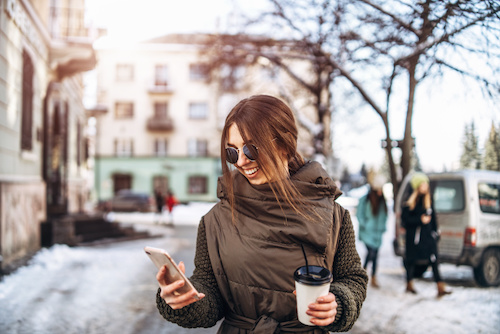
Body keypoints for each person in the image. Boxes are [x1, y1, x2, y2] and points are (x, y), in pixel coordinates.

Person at [154, 95, 368, 333]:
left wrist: (338, 303)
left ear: (285, 145)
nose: (242, 161)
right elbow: (211, 296)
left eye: (251, 148)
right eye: (233, 153)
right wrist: (185, 299)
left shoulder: (334, 216)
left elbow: (352, 279)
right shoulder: (214, 221)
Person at [402, 172, 452, 298]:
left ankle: (440, 286)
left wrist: (436, 232)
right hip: (414, 238)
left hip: (428, 237)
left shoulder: (429, 199)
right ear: (418, 186)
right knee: (411, 260)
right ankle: (409, 284)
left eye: (426, 184)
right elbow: (406, 221)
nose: (425, 187)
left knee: (434, 259)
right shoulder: (410, 201)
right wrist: (420, 219)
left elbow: (433, 218)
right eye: (423, 184)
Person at [356, 174, 387, 288]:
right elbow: (359, 214)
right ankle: (363, 273)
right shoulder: (366, 199)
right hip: (367, 232)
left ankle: (372, 276)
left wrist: (382, 227)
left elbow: (384, 216)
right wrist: (366, 224)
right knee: (371, 252)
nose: (380, 192)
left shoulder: (382, 200)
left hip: (377, 233)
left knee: (375, 255)